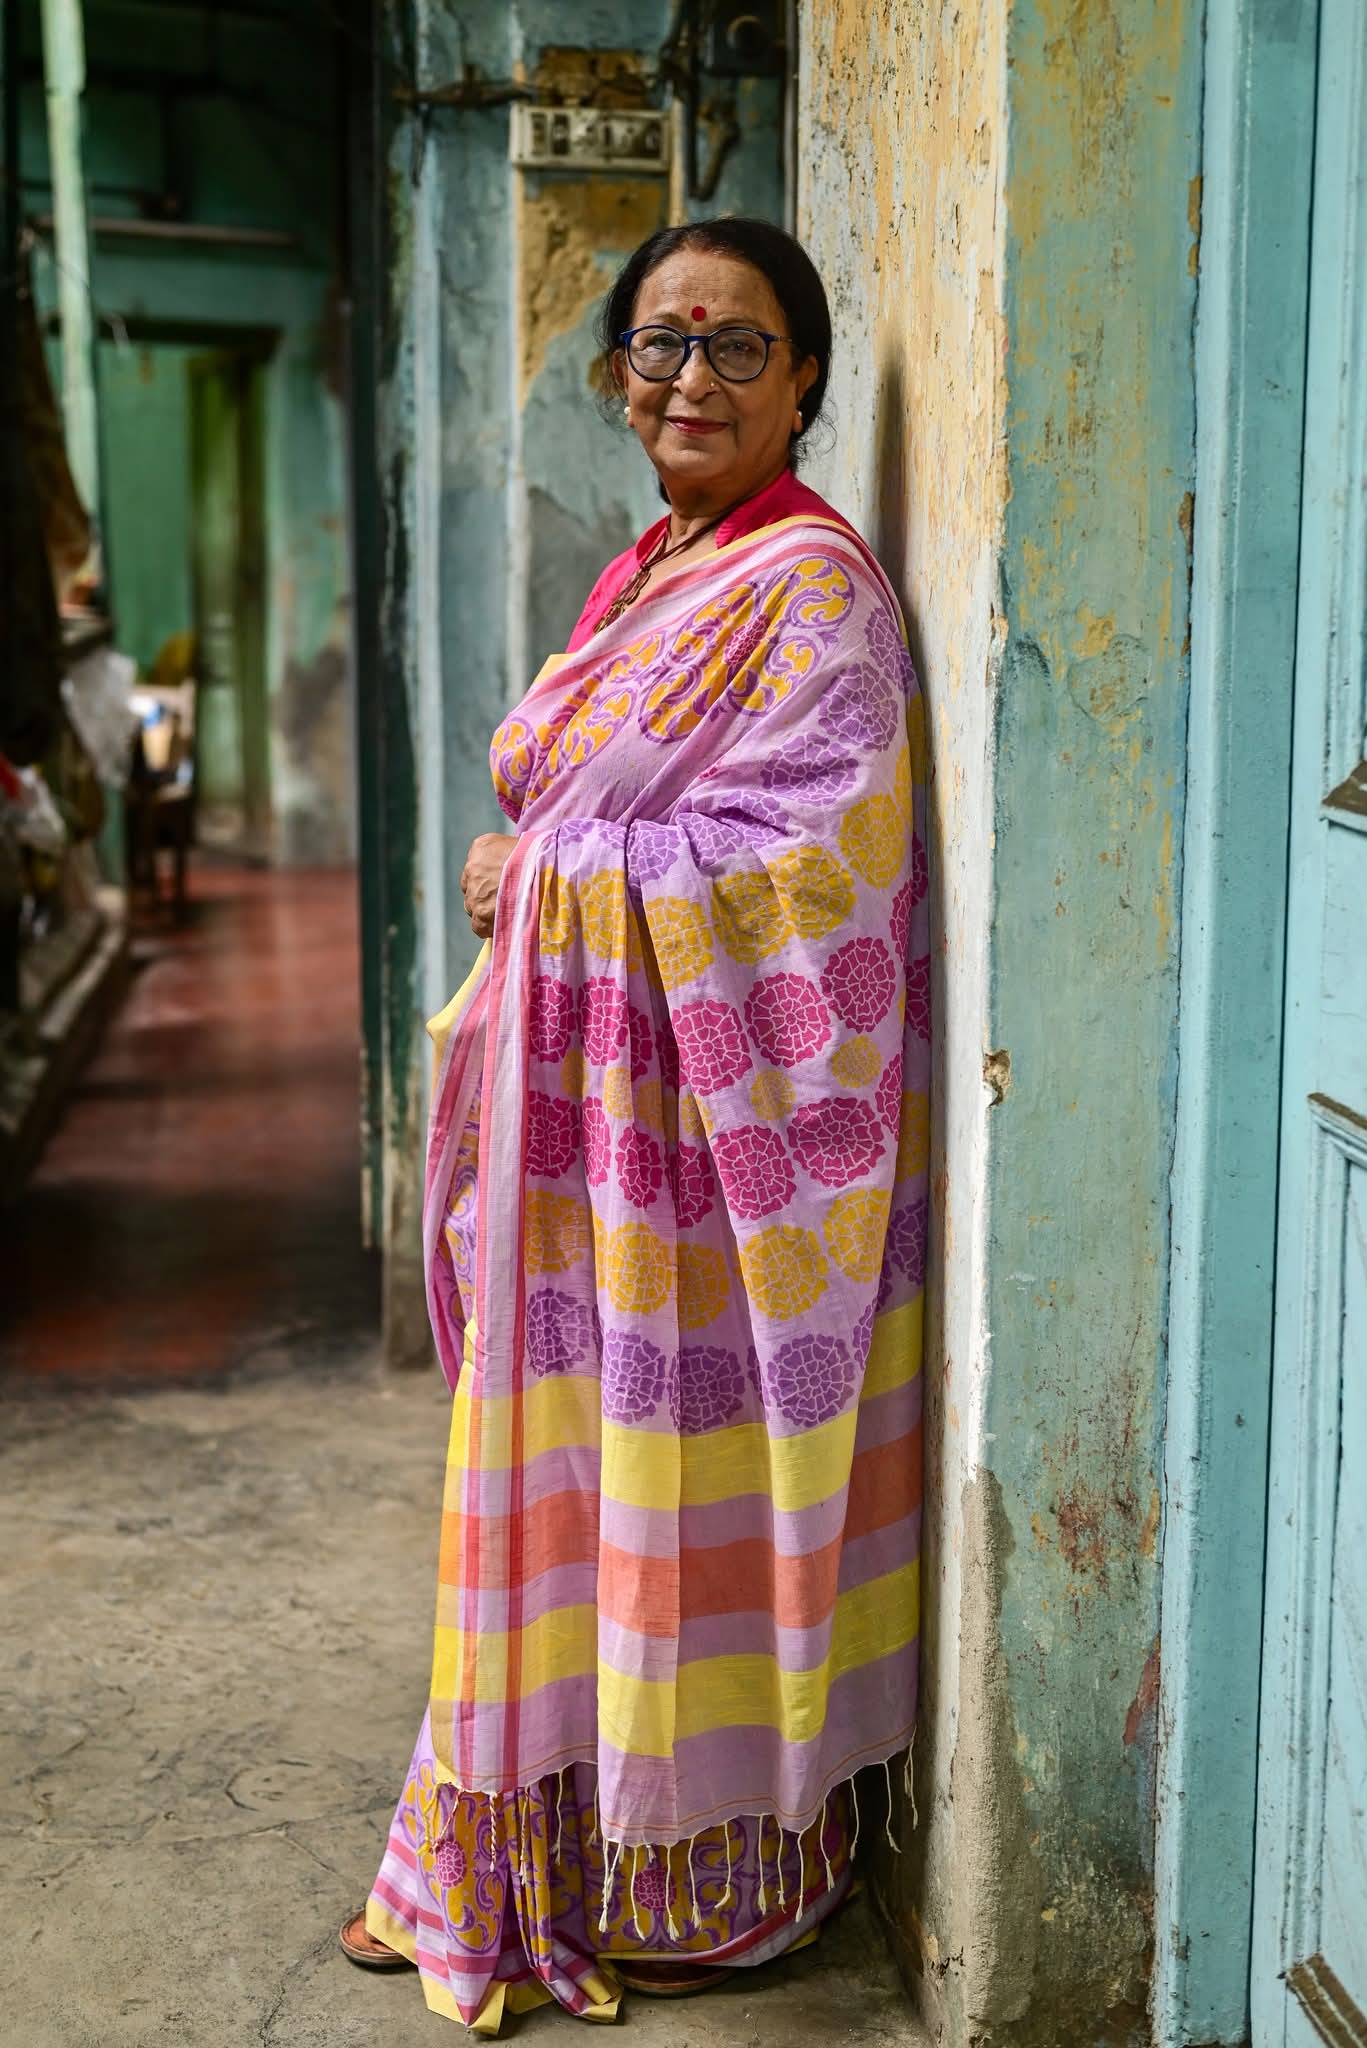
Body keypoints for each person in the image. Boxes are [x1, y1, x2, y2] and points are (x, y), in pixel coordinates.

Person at [340, 216, 929, 2032]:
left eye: (739, 345)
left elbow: (812, 884)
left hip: (696, 1157)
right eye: (661, 343)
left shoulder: (815, 596)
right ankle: (519, 1845)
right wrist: (545, 879)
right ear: (618, 373)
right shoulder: (654, 573)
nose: (691, 378)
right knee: (564, 1492)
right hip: (586, 1125)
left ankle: (697, 1874)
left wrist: (554, 873)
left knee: (664, 1498)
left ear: (808, 379)